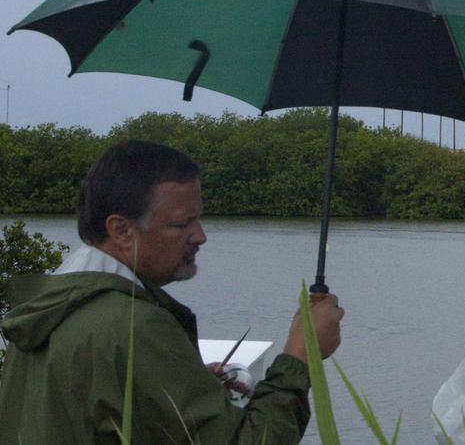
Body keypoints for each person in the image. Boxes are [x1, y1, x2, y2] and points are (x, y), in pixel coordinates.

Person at [0, 140, 345, 444]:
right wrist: (301, 355)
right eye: (182, 224)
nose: (200, 236)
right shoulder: (132, 325)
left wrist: (186, 383)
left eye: (198, 219)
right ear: (121, 230)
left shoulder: (50, 307)